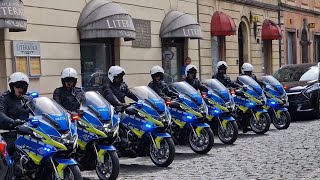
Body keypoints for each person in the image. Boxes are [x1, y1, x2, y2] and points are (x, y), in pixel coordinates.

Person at [0, 72, 33, 176]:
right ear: (12, 86)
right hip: (8, 133)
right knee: (15, 157)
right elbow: (1, 114)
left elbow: (38, 111)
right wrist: (13, 122)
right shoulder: (4, 98)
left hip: (25, 132)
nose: (20, 88)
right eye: (18, 86)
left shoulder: (27, 99)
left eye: (23, 86)